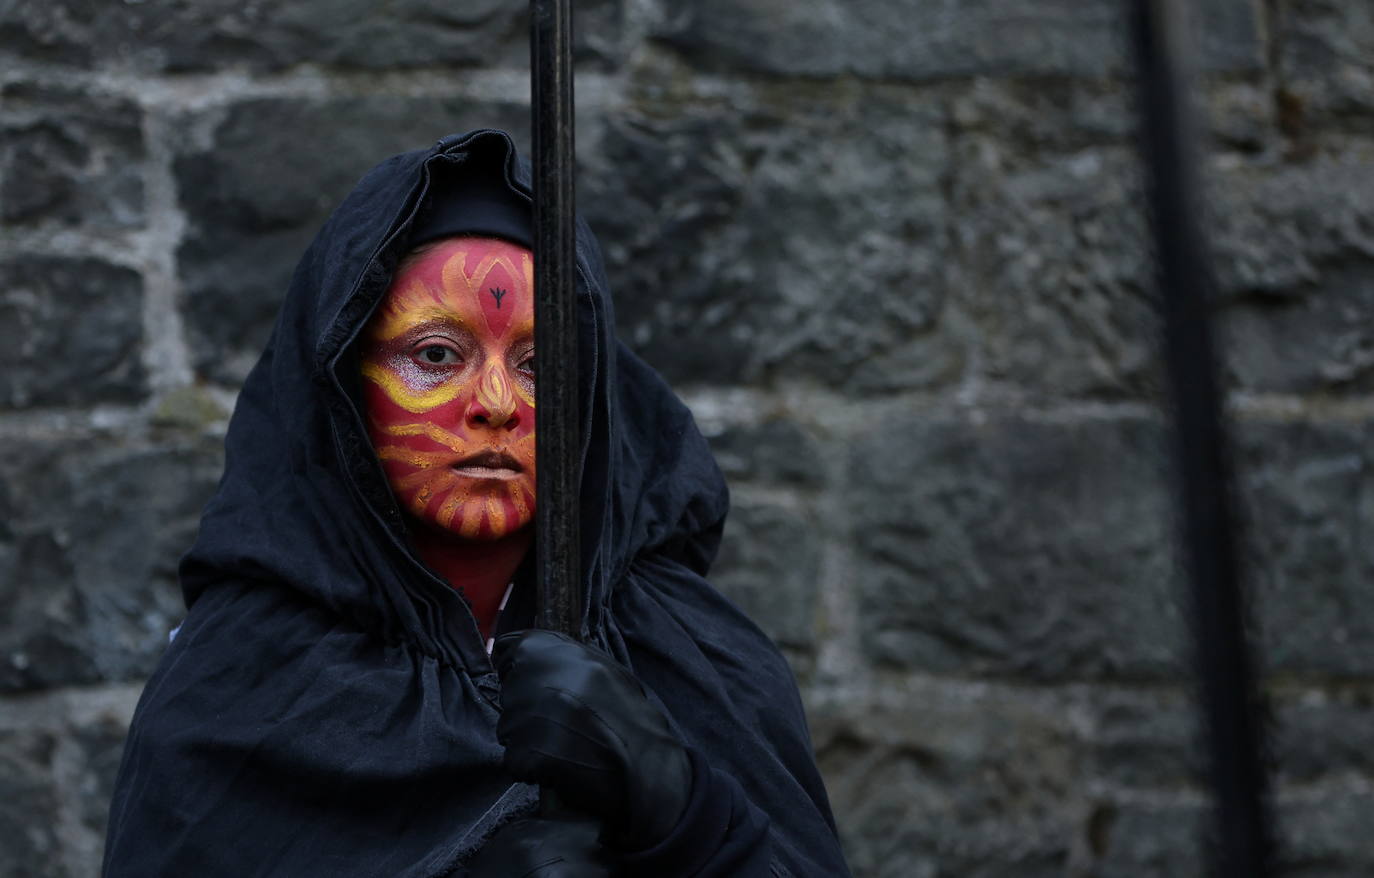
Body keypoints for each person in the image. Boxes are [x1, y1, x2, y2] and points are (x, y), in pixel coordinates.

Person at [103, 129, 850, 876]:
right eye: (435, 355)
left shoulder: (698, 659)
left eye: (540, 364)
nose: (496, 403)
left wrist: (682, 816)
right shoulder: (237, 690)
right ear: (345, 389)